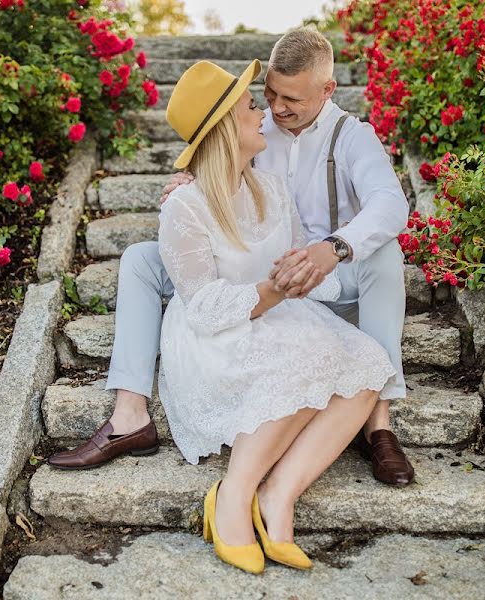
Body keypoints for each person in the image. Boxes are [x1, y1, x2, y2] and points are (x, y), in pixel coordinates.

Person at [48, 28, 415, 486]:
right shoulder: (257, 128)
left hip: (330, 272)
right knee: (141, 259)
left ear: (327, 90)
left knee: (386, 257)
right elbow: (220, 158)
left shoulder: (351, 137)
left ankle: (378, 422)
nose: (277, 109)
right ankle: (130, 413)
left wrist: (335, 247)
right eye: (270, 94)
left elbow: (390, 203)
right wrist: (194, 184)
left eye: (292, 99)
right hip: (255, 266)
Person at [165, 59, 394, 573]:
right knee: (301, 358)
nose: (262, 114)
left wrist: (308, 274)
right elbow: (202, 308)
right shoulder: (184, 206)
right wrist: (271, 290)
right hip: (216, 335)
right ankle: (230, 498)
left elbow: (294, 257)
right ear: (227, 129)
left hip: (275, 311)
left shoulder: (271, 188)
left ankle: (277, 496)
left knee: (367, 364)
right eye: (250, 107)